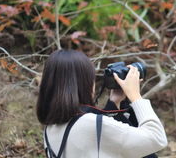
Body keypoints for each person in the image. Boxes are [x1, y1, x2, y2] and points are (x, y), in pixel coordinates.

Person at [36, 49, 168, 158]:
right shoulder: (91, 124)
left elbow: (97, 148)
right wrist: (135, 96)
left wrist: (114, 103)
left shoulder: (50, 130)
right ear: (84, 83)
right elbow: (157, 138)